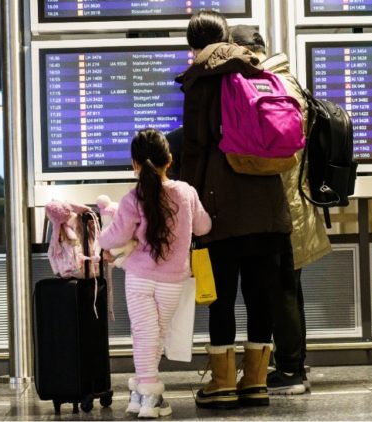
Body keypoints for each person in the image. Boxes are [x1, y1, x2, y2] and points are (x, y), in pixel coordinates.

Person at [176, 11, 292, 409]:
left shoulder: (200, 80)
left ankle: (224, 383)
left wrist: (190, 205)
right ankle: (256, 382)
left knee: (222, 296)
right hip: (268, 206)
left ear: (193, 44)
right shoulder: (255, 68)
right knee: (260, 294)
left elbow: (194, 148)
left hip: (219, 205)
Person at [229, 26, 332, 394]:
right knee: (288, 286)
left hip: (284, 206)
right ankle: (292, 362)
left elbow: (273, 154)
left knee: (281, 287)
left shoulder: (271, 86)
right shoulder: (288, 81)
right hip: (296, 203)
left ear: (246, 52)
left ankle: (290, 370)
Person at [98, 128, 212, 418]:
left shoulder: (133, 198)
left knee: (144, 333)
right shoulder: (186, 193)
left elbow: (114, 237)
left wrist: (100, 240)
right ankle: (147, 395)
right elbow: (204, 227)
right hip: (172, 281)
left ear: (135, 164)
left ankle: (145, 394)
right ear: (169, 160)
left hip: (138, 277)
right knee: (154, 334)